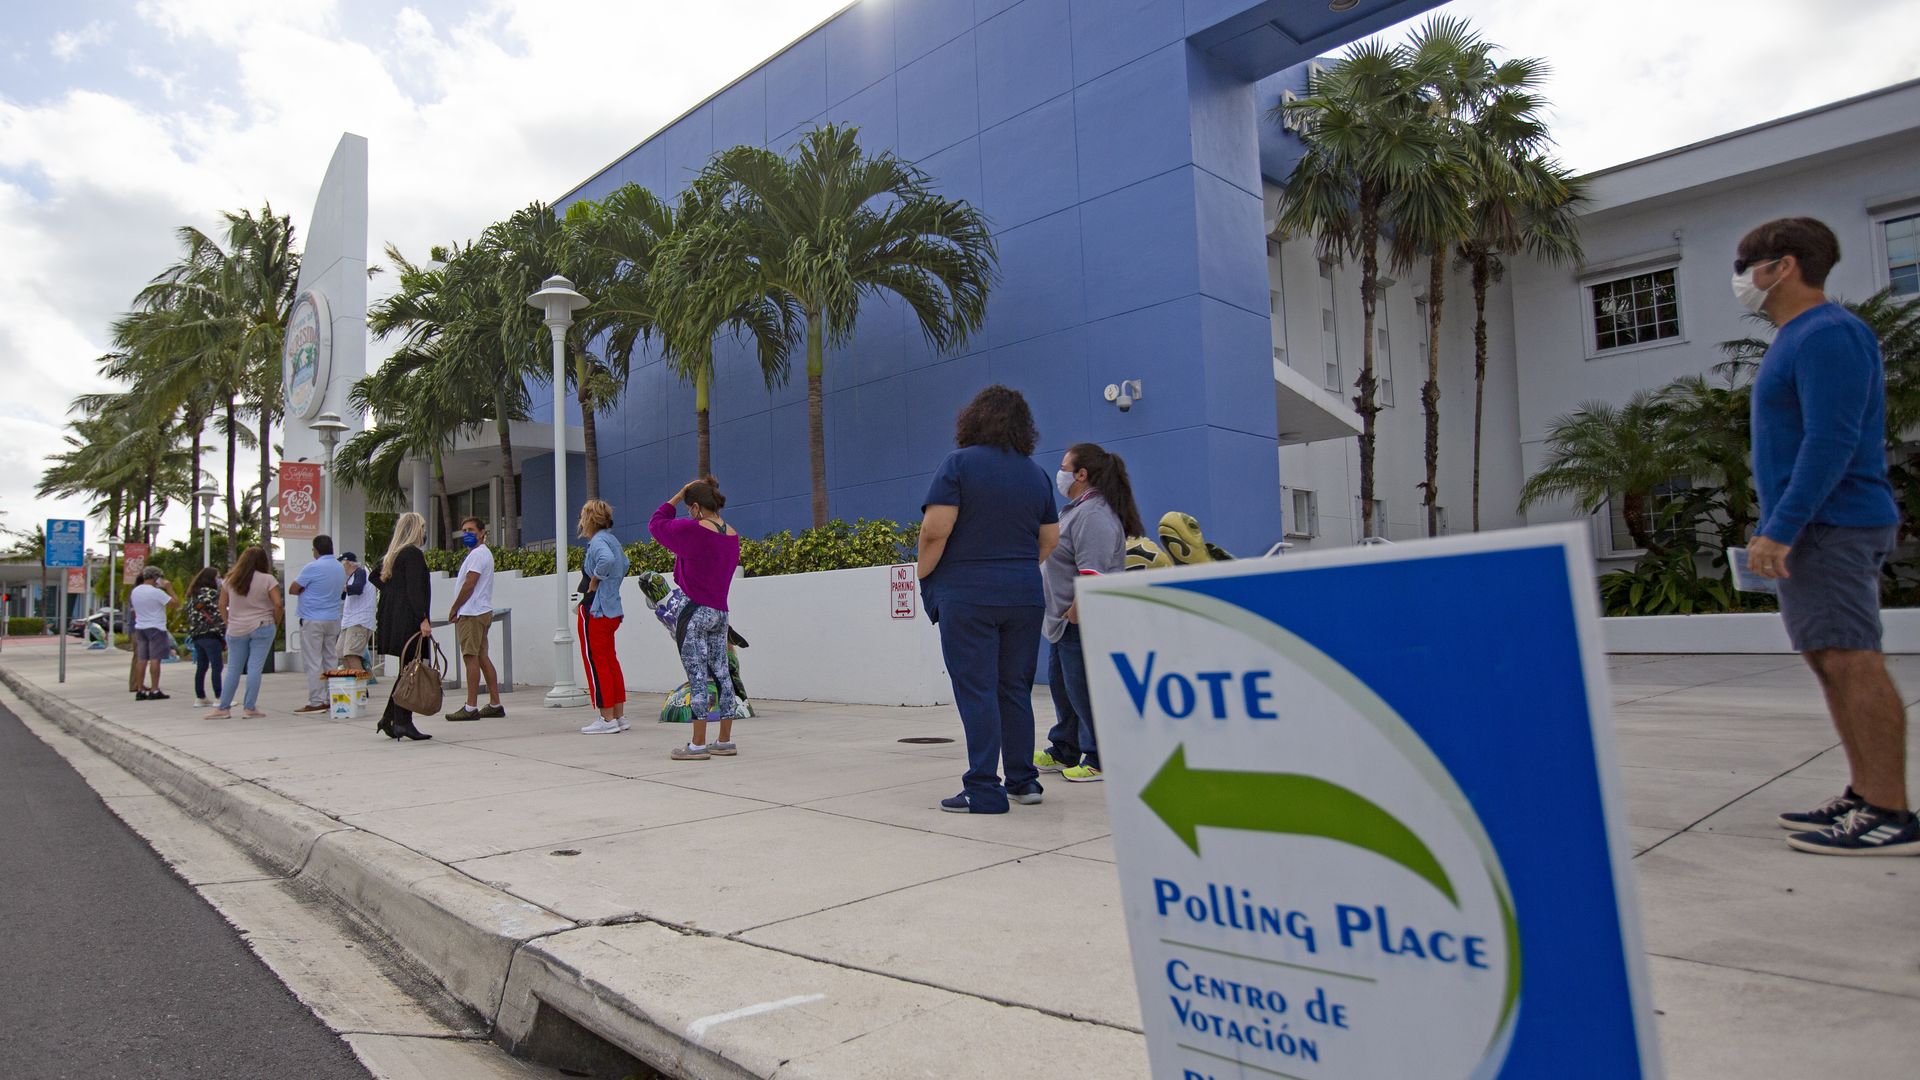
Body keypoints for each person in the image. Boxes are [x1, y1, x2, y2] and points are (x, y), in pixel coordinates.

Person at [1736, 217, 1915, 856]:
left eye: (1745, 265)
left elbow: (1832, 439)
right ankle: (1866, 795)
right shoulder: (1798, 337)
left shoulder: (1828, 334)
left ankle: (1891, 812)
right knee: (1828, 659)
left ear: (1781, 266)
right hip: (1816, 526)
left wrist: (1780, 528)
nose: (1740, 280)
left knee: (1851, 657)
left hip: (1832, 523)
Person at [918, 385, 1060, 814]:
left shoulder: (958, 465)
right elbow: (1049, 538)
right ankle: (1023, 780)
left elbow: (935, 529)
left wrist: (923, 573)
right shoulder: (1035, 473)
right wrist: (1016, 567)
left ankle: (983, 788)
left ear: (973, 419)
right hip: (1023, 594)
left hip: (967, 594)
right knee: (1013, 688)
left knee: (977, 689)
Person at [1034, 443, 1141, 784]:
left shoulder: (1094, 515)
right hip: (1062, 622)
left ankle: (1098, 756)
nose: (1060, 472)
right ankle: (1063, 747)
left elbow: (1091, 573)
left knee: (1084, 691)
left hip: (1081, 621)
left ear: (1082, 474)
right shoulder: (1075, 510)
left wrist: (1075, 614)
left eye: (1065, 466)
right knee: (1064, 689)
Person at [651, 477, 742, 760]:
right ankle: (724, 741)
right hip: (720, 612)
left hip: (694, 611)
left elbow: (656, 524)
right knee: (722, 674)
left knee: (698, 677)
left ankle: (698, 744)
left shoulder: (693, 529)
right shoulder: (732, 534)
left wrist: (677, 495)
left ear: (695, 507)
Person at [371, 512, 433, 741]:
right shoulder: (413, 555)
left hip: (395, 620)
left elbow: (373, 576)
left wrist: (392, 593)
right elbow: (415, 591)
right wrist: (423, 619)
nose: (425, 533)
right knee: (410, 671)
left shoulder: (394, 556)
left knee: (405, 671)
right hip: (410, 621)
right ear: (416, 529)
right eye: (423, 528)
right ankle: (403, 721)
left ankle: (390, 718)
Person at [576, 499, 631, 735]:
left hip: (597, 609)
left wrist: (596, 579)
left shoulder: (598, 541)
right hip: (612, 609)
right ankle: (617, 715)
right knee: (610, 661)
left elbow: (606, 560)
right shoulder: (612, 540)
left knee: (597, 663)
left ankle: (606, 717)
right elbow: (624, 563)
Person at [208, 548, 283, 719]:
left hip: (236, 628)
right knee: (254, 668)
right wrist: (276, 622)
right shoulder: (268, 579)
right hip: (263, 625)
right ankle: (249, 707)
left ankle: (223, 707)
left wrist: (229, 622)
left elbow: (221, 605)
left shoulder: (230, 580)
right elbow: (278, 604)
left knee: (233, 668)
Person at [444, 517, 505, 722]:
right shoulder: (478, 554)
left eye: (470, 530)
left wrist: (455, 608)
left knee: (470, 657)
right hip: (480, 610)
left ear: (482, 532)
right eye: (463, 530)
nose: (466, 534)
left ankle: (471, 706)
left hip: (472, 612)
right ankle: (495, 703)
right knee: (481, 657)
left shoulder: (478, 555)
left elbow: (470, 584)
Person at [287, 534, 347, 714]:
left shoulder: (312, 567)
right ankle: (332, 698)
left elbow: (293, 589)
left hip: (313, 619)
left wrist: (307, 589)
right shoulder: (339, 567)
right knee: (331, 659)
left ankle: (316, 701)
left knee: (313, 661)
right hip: (333, 618)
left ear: (317, 549)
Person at [129, 567, 179, 701]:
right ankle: (154, 689)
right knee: (155, 659)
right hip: (156, 627)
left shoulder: (135, 591)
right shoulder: (156, 592)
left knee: (142, 659)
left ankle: (140, 690)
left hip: (140, 627)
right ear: (155, 578)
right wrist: (169, 588)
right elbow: (175, 603)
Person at [183, 566, 226, 708]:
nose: (219, 579)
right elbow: (218, 614)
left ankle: (200, 697)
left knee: (202, 666)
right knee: (217, 666)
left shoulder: (192, 595)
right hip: (211, 633)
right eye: (218, 577)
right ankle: (220, 697)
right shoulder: (212, 593)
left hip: (196, 635)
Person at [337, 552, 376, 677]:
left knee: (351, 653)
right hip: (349, 622)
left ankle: (361, 687)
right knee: (341, 653)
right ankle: (353, 685)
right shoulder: (351, 578)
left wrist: (343, 588)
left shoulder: (361, 572)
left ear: (348, 563)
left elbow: (358, 588)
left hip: (359, 621)